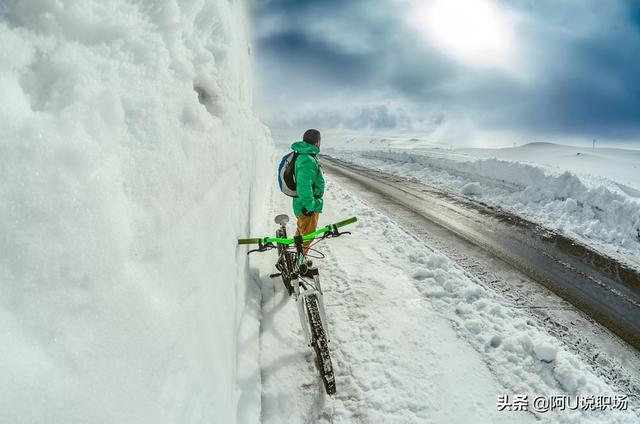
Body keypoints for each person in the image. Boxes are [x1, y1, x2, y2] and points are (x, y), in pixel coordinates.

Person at [291, 129, 325, 255]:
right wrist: (310, 206)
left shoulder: (304, 156)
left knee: (301, 233)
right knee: (307, 237)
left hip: (303, 204)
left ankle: (297, 258)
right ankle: (300, 264)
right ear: (317, 142)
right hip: (306, 207)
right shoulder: (307, 160)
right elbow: (304, 185)